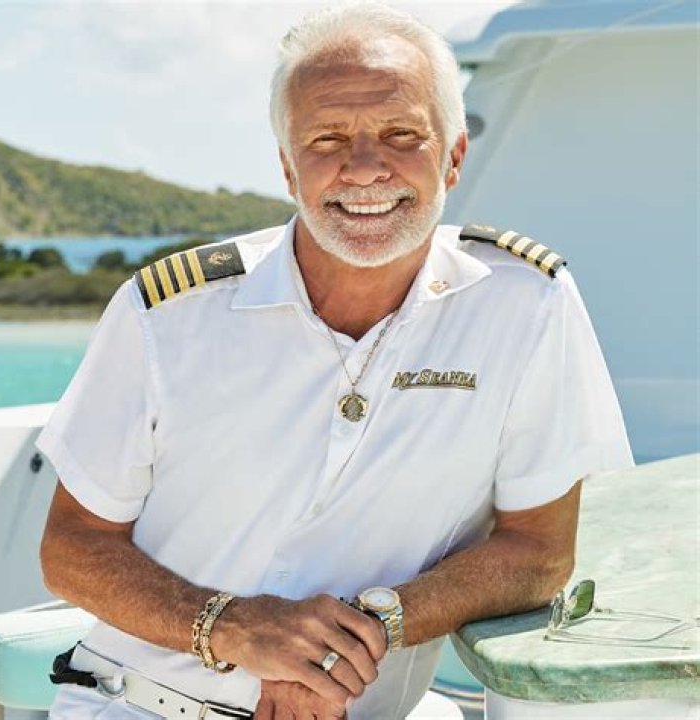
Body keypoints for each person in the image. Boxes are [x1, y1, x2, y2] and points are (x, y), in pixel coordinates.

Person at [37, 3, 633, 719]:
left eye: (401, 134)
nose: (366, 168)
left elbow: (538, 550)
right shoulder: (168, 314)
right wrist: (233, 629)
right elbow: (72, 547)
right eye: (327, 139)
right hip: (141, 707)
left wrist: (351, 639)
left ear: (454, 156)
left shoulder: (525, 303)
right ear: (288, 168)